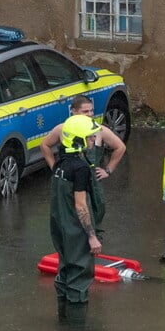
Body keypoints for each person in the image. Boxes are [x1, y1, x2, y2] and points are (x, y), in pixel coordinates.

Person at [40, 94, 126, 237]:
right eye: (85, 111)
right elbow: (44, 145)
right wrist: (54, 166)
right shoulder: (63, 129)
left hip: (91, 180)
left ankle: (94, 241)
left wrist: (108, 170)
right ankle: (72, 244)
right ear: (73, 111)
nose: (90, 114)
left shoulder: (98, 130)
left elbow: (120, 147)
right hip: (68, 179)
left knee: (95, 211)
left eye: (91, 111)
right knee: (68, 214)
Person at [50, 114, 103, 327]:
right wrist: (91, 236)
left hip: (59, 229)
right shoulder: (80, 168)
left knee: (64, 271)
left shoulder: (60, 163)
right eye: (90, 138)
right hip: (76, 231)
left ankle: (63, 323)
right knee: (79, 278)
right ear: (78, 140)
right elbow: (81, 205)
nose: (93, 141)